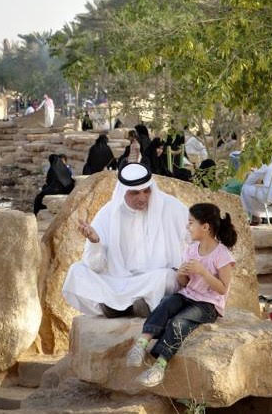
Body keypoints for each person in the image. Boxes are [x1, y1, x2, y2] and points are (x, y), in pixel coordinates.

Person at [126, 202, 237, 387]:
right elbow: (185, 283)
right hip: (188, 295)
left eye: (191, 222)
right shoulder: (192, 249)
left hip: (208, 305)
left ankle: (160, 366)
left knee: (179, 322)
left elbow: (223, 289)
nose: (188, 226)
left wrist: (203, 272)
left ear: (206, 227)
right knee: (167, 302)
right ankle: (141, 344)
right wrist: (180, 275)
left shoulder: (222, 254)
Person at [62, 163, 189, 318]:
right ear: (123, 192)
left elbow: (193, 240)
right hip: (118, 280)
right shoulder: (108, 214)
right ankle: (132, 307)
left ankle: (119, 307)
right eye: (135, 193)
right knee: (77, 273)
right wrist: (95, 242)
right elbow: (95, 266)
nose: (142, 198)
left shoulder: (172, 207)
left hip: (153, 278)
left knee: (168, 277)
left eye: (146, 191)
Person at [240, 147, 272, 223]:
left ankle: (254, 216)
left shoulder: (267, 161)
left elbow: (249, 181)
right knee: (268, 189)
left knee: (245, 188)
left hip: (270, 197)